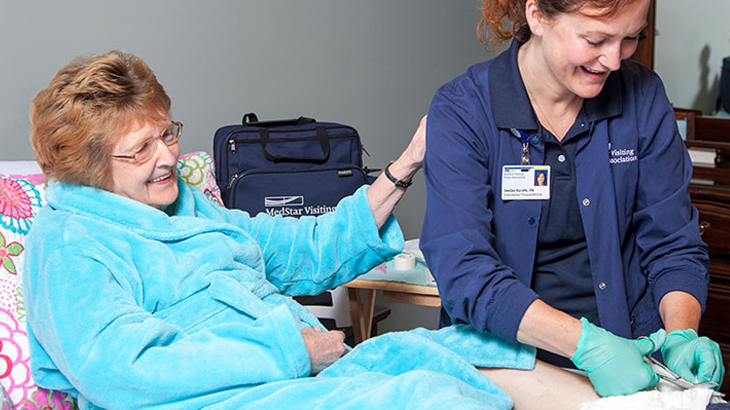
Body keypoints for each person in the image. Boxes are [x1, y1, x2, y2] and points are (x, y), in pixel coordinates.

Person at [24, 50, 604, 410]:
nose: (168, 157)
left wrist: (406, 164)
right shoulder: (73, 246)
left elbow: (304, 249)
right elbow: (122, 371)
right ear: (88, 167)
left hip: (299, 374)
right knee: (423, 397)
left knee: (475, 349)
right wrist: (290, 349)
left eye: (168, 134)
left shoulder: (189, 209)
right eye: (141, 149)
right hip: (226, 397)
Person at [421, 0, 725, 398]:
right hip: (508, 367)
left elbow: (673, 243)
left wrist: (680, 334)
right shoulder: (464, 110)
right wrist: (586, 345)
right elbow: (464, 271)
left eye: (631, 37)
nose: (614, 61)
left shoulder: (643, 96)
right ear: (538, 16)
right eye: (596, 40)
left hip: (632, 362)